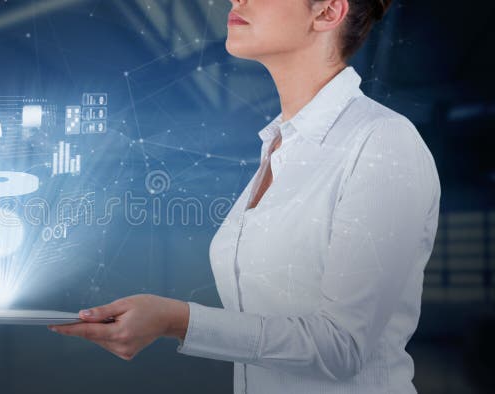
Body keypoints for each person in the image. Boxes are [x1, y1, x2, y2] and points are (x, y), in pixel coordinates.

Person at [51, 0, 440, 393]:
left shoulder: (381, 142)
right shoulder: (278, 146)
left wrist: (176, 319)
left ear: (327, 13)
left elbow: (341, 346)